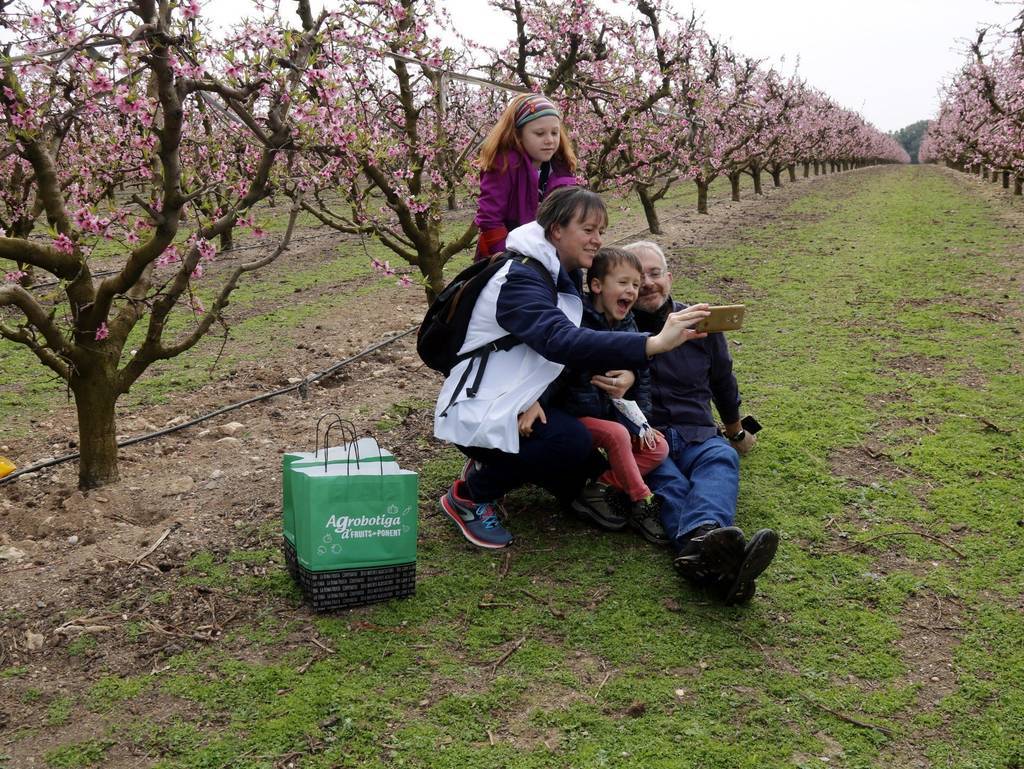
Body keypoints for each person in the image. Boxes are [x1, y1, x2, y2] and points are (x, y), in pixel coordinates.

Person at [434, 188, 710, 549]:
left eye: (601, 231)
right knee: (569, 443)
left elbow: (557, 352)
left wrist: (627, 373)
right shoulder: (520, 279)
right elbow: (560, 340)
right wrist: (652, 343)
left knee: (582, 472)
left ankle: (496, 463)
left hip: (513, 401)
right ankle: (470, 495)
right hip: (482, 407)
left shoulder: (557, 274)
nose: (597, 240)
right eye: (588, 229)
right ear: (555, 230)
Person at [624, 240, 779, 604]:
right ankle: (720, 563)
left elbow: (723, 380)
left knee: (720, 460)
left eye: (655, 273)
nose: (647, 283)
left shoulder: (701, 326)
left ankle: (704, 538)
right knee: (670, 483)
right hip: (647, 440)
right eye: (636, 277)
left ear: (670, 278)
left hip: (697, 432)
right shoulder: (615, 330)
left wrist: (735, 430)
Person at [554, 246, 670, 544]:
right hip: (574, 415)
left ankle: (599, 488)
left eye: (635, 284)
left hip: (609, 413)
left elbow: (641, 374)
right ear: (596, 285)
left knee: (657, 446)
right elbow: (555, 373)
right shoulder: (576, 321)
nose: (632, 291)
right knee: (617, 434)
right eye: (623, 283)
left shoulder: (627, 323)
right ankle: (642, 501)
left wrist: (641, 423)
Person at [473, 93, 579, 261]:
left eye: (554, 133)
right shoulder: (505, 165)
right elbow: (490, 218)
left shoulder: (561, 167)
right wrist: (507, 258)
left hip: (551, 253)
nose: (549, 140)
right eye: (539, 133)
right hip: (507, 253)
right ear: (518, 135)